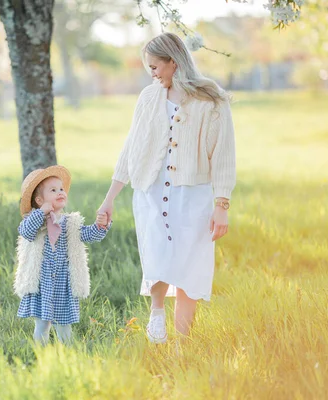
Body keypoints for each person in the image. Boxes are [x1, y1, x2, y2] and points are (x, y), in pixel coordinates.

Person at [97, 32, 236, 343]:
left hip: (193, 193)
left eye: (155, 66)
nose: (152, 73)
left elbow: (224, 155)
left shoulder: (211, 100)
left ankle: (183, 344)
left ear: (173, 63)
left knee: (191, 265)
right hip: (151, 189)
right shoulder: (149, 97)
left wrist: (221, 205)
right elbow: (131, 147)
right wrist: (110, 198)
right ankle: (157, 312)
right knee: (157, 254)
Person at [15, 165, 111, 345]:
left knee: (63, 325)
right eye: (53, 190)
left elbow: (88, 235)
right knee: (42, 324)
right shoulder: (33, 221)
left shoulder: (70, 222)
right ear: (39, 199)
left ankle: (67, 353)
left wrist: (101, 226)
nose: (60, 192)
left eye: (61, 189)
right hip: (41, 283)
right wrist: (42, 212)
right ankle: (39, 351)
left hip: (63, 282)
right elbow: (26, 232)